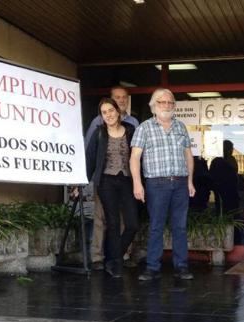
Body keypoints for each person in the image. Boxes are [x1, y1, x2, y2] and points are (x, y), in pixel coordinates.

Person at [130, 88, 196, 281]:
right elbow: (135, 157)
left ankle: (181, 266)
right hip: (156, 184)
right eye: (162, 102)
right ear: (153, 106)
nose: (166, 106)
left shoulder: (181, 127)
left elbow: (188, 156)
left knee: (180, 227)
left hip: (180, 183)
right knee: (156, 226)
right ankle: (152, 267)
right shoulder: (144, 128)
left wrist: (190, 180)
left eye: (170, 102)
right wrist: (137, 183)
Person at [84, 86, 140, 270]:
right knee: (112, 222)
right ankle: (112, 262)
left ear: (118, 111)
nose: (108, 114)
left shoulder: (131, 129)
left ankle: (113, 256)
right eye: (104, 112)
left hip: (126, 180)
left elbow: (139, 155)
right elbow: (90, 159)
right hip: (106, 181)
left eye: (111, 110)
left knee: (132, 223)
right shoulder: (99, 132)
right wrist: (81, 183)